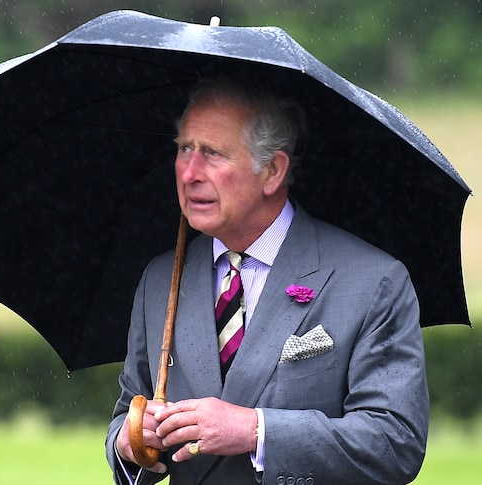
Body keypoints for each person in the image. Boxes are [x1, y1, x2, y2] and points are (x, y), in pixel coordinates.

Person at [105, 77, 429, 485]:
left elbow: (394, 443)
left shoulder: (373, 280)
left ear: (273, 171)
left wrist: (255, 430)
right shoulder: (160, 279)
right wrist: (131, 440)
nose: (189, 172)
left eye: (213, 153)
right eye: (184, 148)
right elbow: (127, 414)